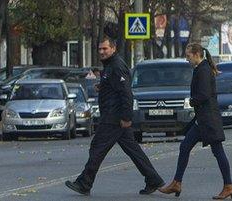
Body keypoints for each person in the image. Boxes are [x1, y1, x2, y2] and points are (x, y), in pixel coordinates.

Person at [66, 37, 163, 196]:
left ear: (113, 49)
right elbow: (114, 86)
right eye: (100, 49)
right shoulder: (110, 66)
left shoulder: (117, 66)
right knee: (133, 150)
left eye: (105, 49)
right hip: (114, 116)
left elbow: (126, 93)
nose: (102, 52)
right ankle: (154, 180)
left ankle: (84, 183)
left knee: (97, 149)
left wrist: (126, 117)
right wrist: (102, 86)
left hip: (114, 118)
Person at [159, 43, 232, 200]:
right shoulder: (201, 69)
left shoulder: (204, 70)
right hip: (204, 119)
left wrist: (192, 101)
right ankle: (177, 182)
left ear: (197, 54)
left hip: (208, 120)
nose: (187, 59)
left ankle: (228, 186)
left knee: (217, 151)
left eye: (188, 56)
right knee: (185, 146)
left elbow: (204, 95)